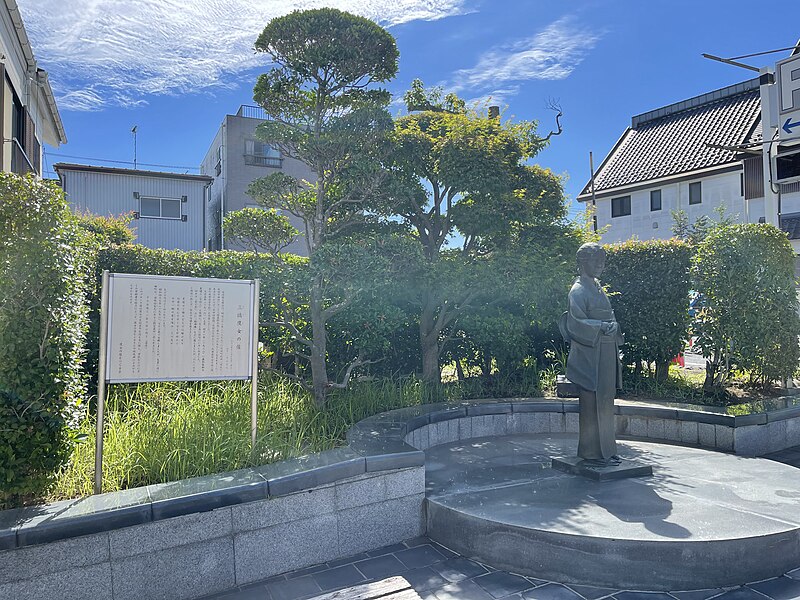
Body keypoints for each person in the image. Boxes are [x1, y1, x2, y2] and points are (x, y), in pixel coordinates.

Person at [564, 242, 624, 464]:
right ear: (582, 262)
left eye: (602, 261)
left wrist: (613, 325)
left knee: (606, 401)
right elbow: (575, 322)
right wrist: (600, 326)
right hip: (590, 355)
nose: (600, 265)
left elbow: (610, 316)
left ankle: (606, 450)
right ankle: (591, 452)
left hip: (606, 351)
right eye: (595, 260)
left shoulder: (597, 286)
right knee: (591, 403)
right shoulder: (578, 290)